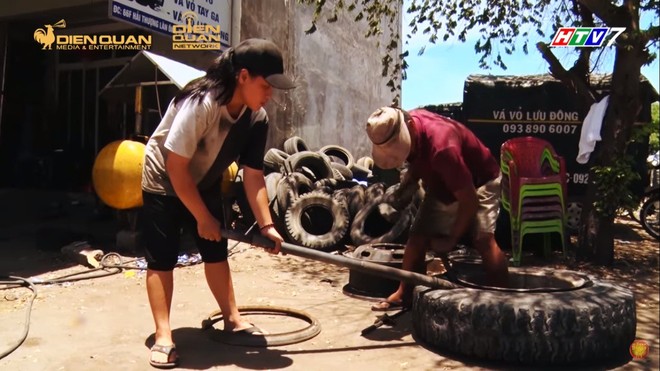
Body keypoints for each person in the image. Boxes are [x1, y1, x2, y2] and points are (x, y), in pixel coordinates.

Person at [140, 38, 294, 368]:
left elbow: (253, 176)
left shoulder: (257, 119)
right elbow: (175, 166)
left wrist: (267, 225)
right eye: (265, 85)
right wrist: (201, 216)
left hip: (204, 178)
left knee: (215, 251)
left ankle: (233, 318)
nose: (269, 94)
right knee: (162, 258)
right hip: (164, 177)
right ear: (242, 77)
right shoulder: (203, 102)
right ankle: (164, 335)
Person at [365, 107, 509, 311]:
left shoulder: (443, 148)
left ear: (409, 127)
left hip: (480, 180)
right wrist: (407, 186)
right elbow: (416, 157)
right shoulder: (408, 123)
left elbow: (469, 200)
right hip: (442, 180)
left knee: (482, 239)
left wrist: (450, 239)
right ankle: (405, 293)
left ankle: (504, 301)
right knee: (417, 239)